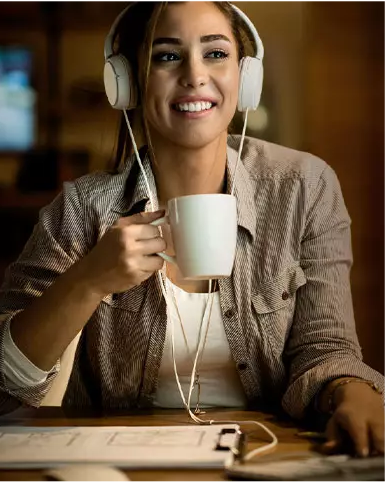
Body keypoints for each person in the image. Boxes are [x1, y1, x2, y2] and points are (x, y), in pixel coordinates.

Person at [0, 0, 384, 458]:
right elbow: (7, 389)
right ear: (127, 83)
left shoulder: (305, 187)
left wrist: (353, 391)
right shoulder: (82, 209)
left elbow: (325, 348)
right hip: (122, 467)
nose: (194, 74)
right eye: (166, 55)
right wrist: (88, 280)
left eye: (216, 53)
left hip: (268, 459)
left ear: (247, 78)